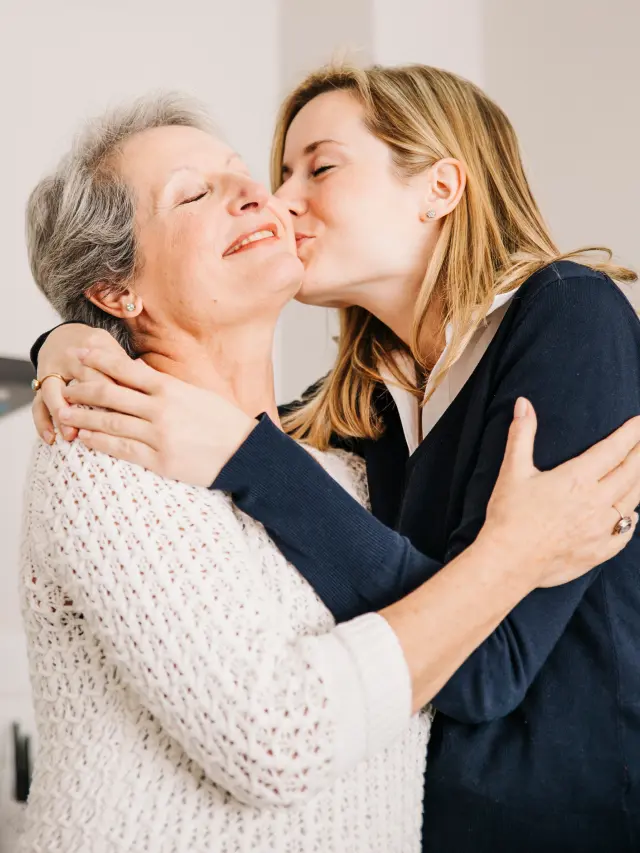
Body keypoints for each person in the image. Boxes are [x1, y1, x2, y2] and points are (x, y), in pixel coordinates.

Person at [29, 65, 640, 852]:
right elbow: (235, 441)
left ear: (440, 188)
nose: (276, 200)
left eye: (316, 167)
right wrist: (63, 341)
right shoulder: (348, 417)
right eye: (199, 192)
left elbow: (479, 656)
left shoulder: (562, 315)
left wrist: (238, 447)